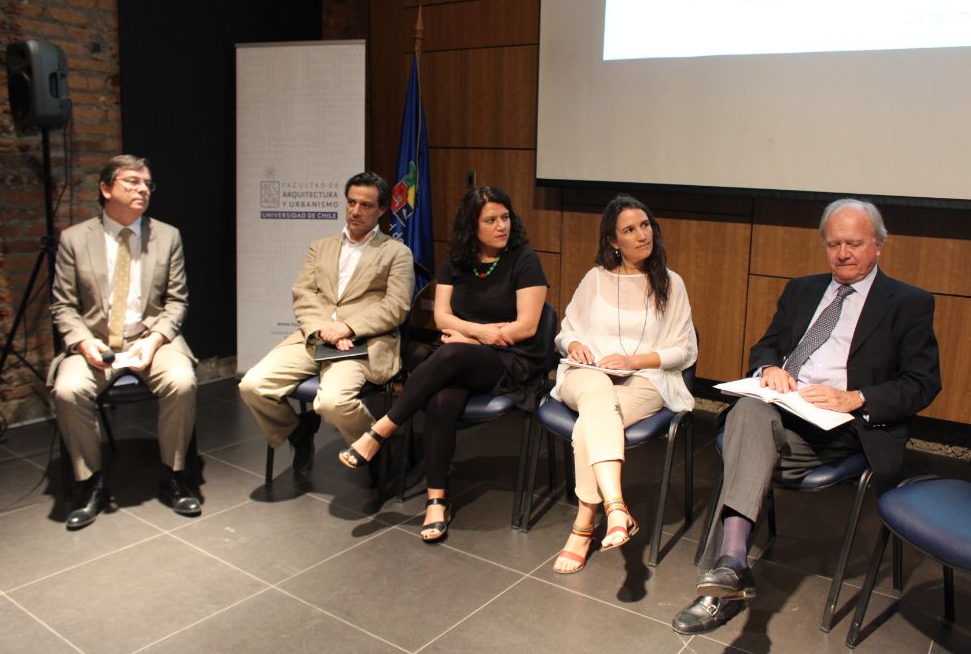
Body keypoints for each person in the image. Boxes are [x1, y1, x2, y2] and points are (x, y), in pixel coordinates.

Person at [672, 198, 941, 634]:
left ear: (878, 246)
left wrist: (856, 397)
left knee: (746, 439)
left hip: (841, 426)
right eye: (833, 244)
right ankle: (732, 566)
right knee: (749, 410)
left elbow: (922, 383)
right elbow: (766, 345)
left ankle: (720, 581)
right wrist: (770, 369)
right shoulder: (801, 289)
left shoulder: (909, 303)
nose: (842, 253)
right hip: (781, 410)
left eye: (853, 243)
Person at [338, 186, 548, 542]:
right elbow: (440, 318)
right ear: (472, 225)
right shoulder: (456, 260)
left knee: (449, 354)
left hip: (511, 358)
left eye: (505, 217)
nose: (502, 226)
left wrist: (469, 336)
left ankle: (380, 432)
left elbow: (526, 327)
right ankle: (437, 501)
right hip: (461, 353)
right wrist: (477, 333)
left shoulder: (525, 260)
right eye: (491, 220)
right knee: (442, 397)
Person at [48, 154, 200, 530]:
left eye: (147, 183)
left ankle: (175, 475)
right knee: (68, 390)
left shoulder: (167, 236)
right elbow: (64, 305)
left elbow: (177, 301)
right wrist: (84, 344)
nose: (143, 189)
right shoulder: (74, 239)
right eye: (132, 182)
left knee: (182, 382)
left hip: (151, 339)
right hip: (96, 342)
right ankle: (91, 484)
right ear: (105, 189)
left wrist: (155, 341)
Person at [548, 195, 697, 573]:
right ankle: (614, 507)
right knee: (597, 390)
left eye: (645, 225)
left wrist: (634, 360)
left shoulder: (671, 283)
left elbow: (683, 350)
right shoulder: (596, 278)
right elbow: (565, 333)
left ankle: (587, 524)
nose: (641, 235)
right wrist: (576, 344)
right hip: (585, 375)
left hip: (645, 380)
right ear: (614, 241)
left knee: (590, 425)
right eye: (629, 230)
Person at [239, 172, 414, 477]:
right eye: (351, 202)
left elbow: (396, 306)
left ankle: (375, 445)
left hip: (361, 343)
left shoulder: (396, 252)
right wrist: (322, 330)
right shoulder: (321, 247)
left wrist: (348, 327)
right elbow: (304, 293)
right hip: (315, 337)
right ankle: (297, 432)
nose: (355, 211)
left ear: (382, 210)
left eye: (366, 205)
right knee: (253, 386)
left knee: (331, 403)